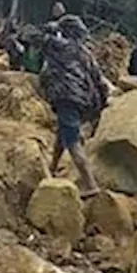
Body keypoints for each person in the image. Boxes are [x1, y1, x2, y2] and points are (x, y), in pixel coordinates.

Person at [40, 15, 106, 198]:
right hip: (82, 99)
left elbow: (40, 36)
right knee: (63, 135)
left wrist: (54, 27)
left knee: (73, 142)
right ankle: (52, 168)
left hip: (64, 97)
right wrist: (103, 101)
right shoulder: (84, 52)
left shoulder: (55, 47)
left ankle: (90, 183)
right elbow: (99, 79)